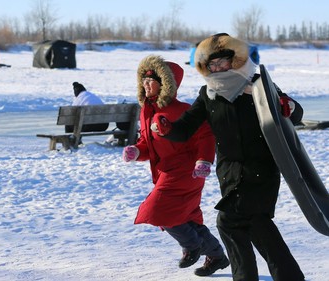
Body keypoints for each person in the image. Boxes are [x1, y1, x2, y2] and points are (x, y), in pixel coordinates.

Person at [151, 33, 305, 281]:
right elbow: (185, 129)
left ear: (235, 59)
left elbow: (294, 114)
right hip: (230, 174)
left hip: (260, 170)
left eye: (222, 61)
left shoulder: (257, 84)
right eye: (212, 64)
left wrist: (288, 105)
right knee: (257, 226)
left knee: (228, 221)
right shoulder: (208, 94)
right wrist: (168, 128)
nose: (218, 67)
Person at [122, 55, 229, 277]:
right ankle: (217, 256)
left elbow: (205, 135)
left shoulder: (182, 109)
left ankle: (192, 245)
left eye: (151, 81)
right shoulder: (146, 111)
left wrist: (204, 160)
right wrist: (137, 151)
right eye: (144, 81)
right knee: (186, 217)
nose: (146, 85)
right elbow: (148, 143)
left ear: (165, 85)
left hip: (187, 171)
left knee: (159, 211)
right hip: (165, 172)